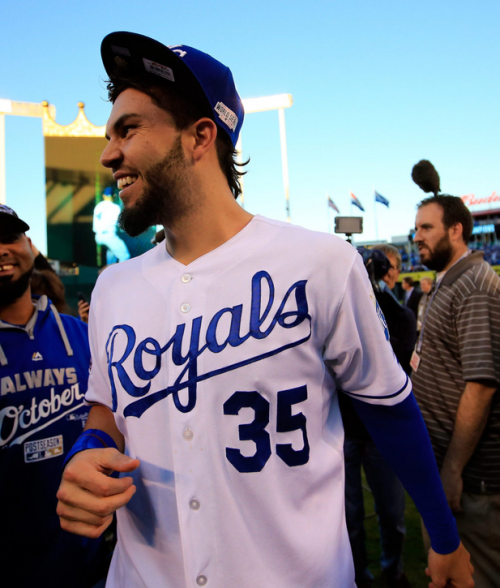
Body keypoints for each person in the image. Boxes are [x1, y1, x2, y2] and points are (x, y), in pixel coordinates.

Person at [56, 32, 474, 588]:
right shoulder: (112, 287)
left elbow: (389, 408)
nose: (108, 154)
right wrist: (91, 449)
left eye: (127, 130)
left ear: (201, 136)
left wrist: (444, 537)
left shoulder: (320, 261)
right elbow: (107, 413)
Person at [0, 205, 110, 588]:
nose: (1, 250)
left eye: (10, 237)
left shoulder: (79, 333)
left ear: (29, 245)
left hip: (96, 564)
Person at [411, 194, 500, 587]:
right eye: (415, 229)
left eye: (426, 228)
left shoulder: (476, 286)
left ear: (456, 230)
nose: (417, 237)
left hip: (470, 484)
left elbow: (480, 386)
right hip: (442, 471)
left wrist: (452, 470)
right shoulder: (449, 281)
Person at [340, 248, 416, 588]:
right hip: (344, 429)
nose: (386, 274)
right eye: (380, 269)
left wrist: (377, 299)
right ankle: (358, 573)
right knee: (348, 516)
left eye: (391, 268)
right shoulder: (346, 310)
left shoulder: (400, 315)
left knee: (392, 513)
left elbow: (391, 366)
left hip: (382, 433)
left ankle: (393, 569)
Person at [93, 187, 130, 263]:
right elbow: (120, 225)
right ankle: (121, 274)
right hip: (108, 236)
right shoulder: (115, 207)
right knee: (125, 256)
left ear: (104, 196)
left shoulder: (98, 206)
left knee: (112, 253)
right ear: (113, 196)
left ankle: (109, 272)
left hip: (98, 236)